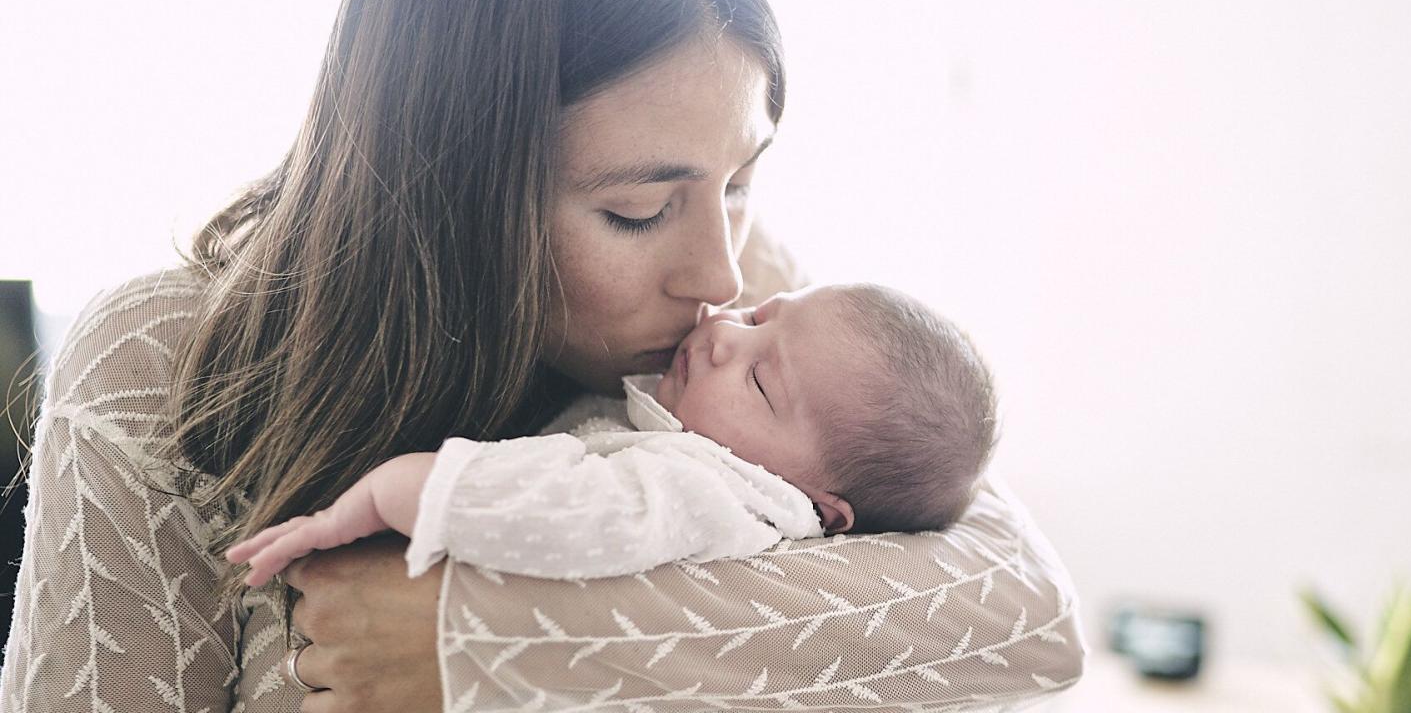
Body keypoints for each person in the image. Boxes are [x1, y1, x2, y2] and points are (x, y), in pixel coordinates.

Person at [0, 0, 1084, 713]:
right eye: (637, 209)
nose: (717, 271)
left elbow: (1024, 613)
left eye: (741, 180)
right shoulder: (159, 361)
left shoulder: (752, 304)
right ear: (446, 186)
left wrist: (495, 646)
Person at [225, 283, 1001, 589]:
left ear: (822, 510)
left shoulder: (718, 494)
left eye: (763, 383)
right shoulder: (703, 425)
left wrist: (372, 498)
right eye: (763, 315)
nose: (726, 332)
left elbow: (568, 510)